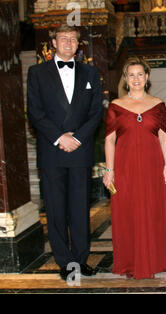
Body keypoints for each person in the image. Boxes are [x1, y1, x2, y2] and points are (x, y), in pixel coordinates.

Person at [27, 25, 103, 281]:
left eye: (73, 39)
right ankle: (65, 261)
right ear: (54, 43)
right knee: (56, 209)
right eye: (63, 38)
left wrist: (78, 138)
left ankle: (80, 260)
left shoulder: (90, 72)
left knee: (81, 209)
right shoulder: (37, 72)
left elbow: (96, 113)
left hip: (80, 151)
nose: (69, 42)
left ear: (79, 45)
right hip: (52, 150)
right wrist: (61, 137)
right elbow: (35, 112)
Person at [103, 57, 166, 279]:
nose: (136, 79)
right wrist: (109, 170)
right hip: (124, 168)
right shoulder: (116, 106)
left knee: (153, 211)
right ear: (126, 79)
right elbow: (109, 140)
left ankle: (155, 260)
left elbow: (164, 139)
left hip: (153, 166)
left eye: (140, 74)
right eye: (131, 75)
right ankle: (130, 261)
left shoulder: (158, 105)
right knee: (127, 212)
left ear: (147, 77)